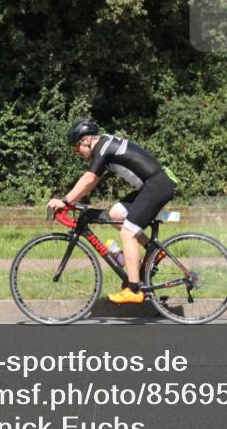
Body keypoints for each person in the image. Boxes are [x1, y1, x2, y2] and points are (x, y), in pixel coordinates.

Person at [47, 118, 177, 304]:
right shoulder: (105, 144)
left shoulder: (103, 146)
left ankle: (133, 290)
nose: (78, 154)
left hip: (157, 185)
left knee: (127, 234)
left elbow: (90, 179)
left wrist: (65, 200)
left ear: (86, 140)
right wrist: (71, 199)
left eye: (77, 149)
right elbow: (91, 181)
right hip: (153, 184)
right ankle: (153, 250)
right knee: (116, 213)